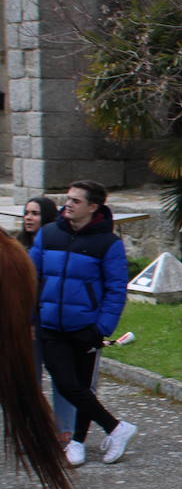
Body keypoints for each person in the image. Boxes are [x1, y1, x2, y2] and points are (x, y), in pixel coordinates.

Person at [29, 180, 137, 466]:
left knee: (83, 386)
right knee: (66, 384)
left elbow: (116, 289)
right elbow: (31, 277)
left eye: (76, 201)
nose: (68, 205)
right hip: (51, 325)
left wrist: (101, 328)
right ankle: (117, 428)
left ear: (93, 207)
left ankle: (77, 443)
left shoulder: (107, 243)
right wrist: (32, 316)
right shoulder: (49, 234)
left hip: (85, 327)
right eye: (68, 199)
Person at [21, 196, 80, 458]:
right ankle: (32, 431)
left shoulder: (57, 244)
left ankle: (65, 431)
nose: (28, 217)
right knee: (28, 381)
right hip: (26, 328)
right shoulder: (17, 248)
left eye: (34, 213)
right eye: (26, 213)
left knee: (63, 379)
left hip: (54, 323)